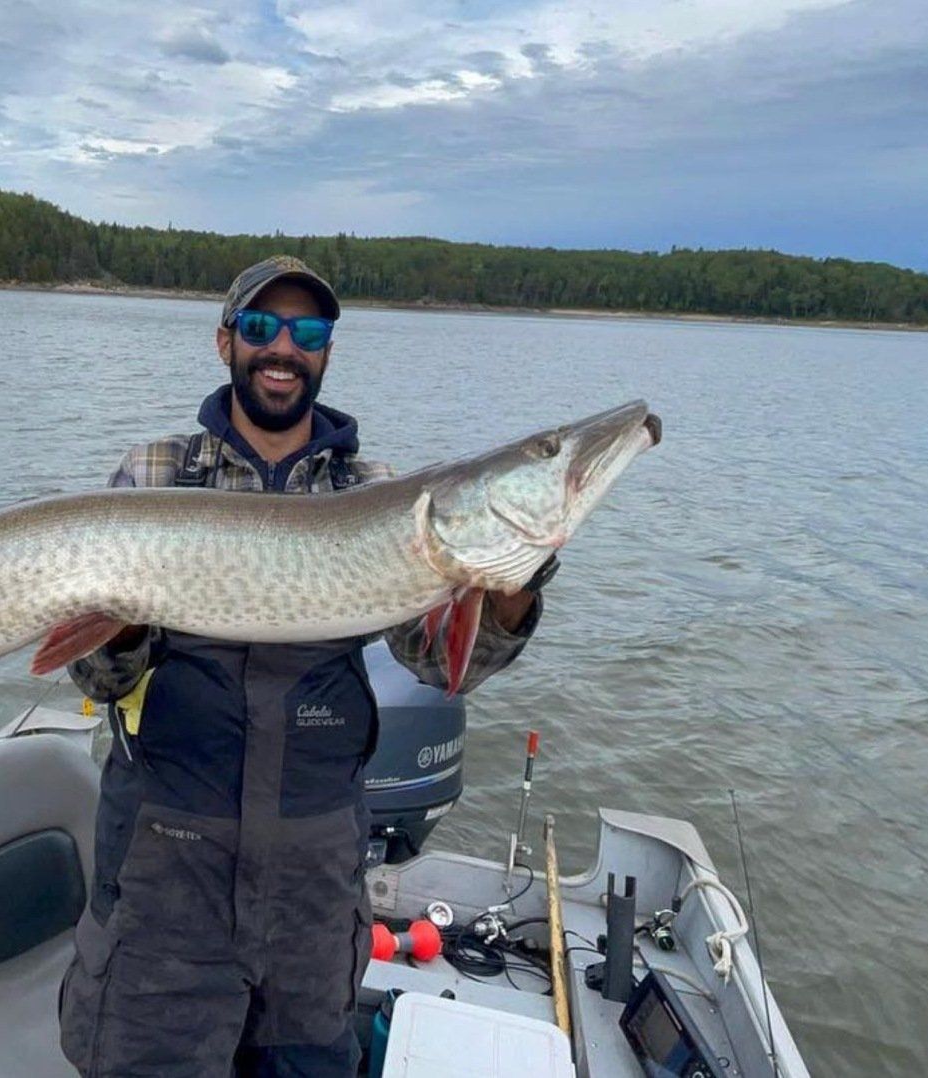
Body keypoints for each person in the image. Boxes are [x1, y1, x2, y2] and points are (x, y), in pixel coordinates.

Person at [58, 256, 557, 1077]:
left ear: (327, 351)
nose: (282, 348)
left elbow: (438, 665)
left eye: (308, 331)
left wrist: (506, 598)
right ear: (226, 343)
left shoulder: (378, 493)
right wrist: (113, 631)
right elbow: (97, 681)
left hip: (313, 897)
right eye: (261, 328)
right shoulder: (153, 474)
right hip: (165, 883)